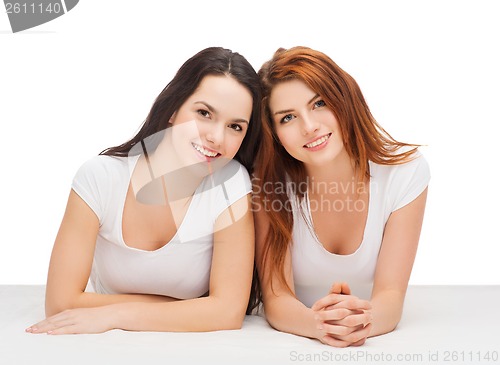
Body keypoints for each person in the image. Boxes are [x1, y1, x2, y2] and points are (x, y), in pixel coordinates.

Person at [26, 47, 262, 335]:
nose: (216, 137)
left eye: (235, 127)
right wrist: (189, 308)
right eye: (203, 113)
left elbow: (227, 312)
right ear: (174, 109)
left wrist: (115, 313)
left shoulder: (232, 183)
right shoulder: (101, 177)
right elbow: (61, 302)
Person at [252, 46, 430, 347]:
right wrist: (319, 325)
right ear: (274, 134)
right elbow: (277, 298)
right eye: (287, 118)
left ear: (343, 99)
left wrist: (362, 322)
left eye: (319, 103)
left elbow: (390, 295)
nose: (310, 127)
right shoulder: (268, 183)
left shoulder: (404, 173)